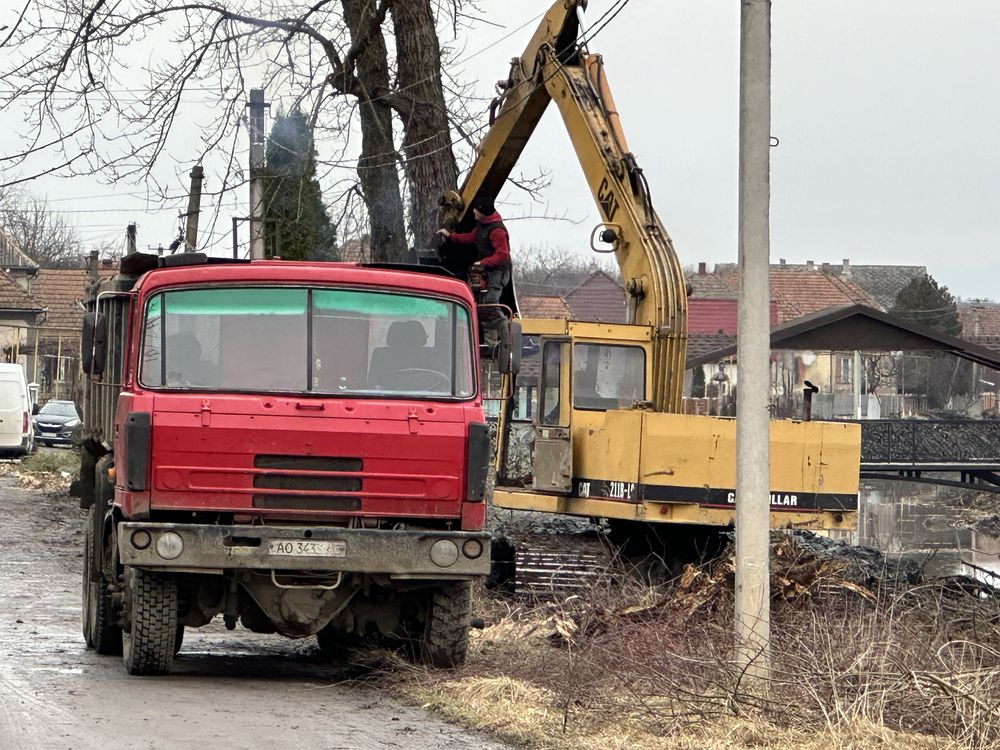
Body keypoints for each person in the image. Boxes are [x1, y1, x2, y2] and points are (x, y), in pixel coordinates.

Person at [437, 198, 512, 352]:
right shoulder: (482, 227)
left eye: (475, 210)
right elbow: (469, 238)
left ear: (482, 211)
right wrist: (450, 235)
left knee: (491, 301)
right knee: (483, 305)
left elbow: (502, 254)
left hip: (499, 271)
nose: (473, 212)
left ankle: (504, 326)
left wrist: (484, 262)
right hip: (488, 271)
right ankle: (490, 342)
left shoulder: (497, 231)